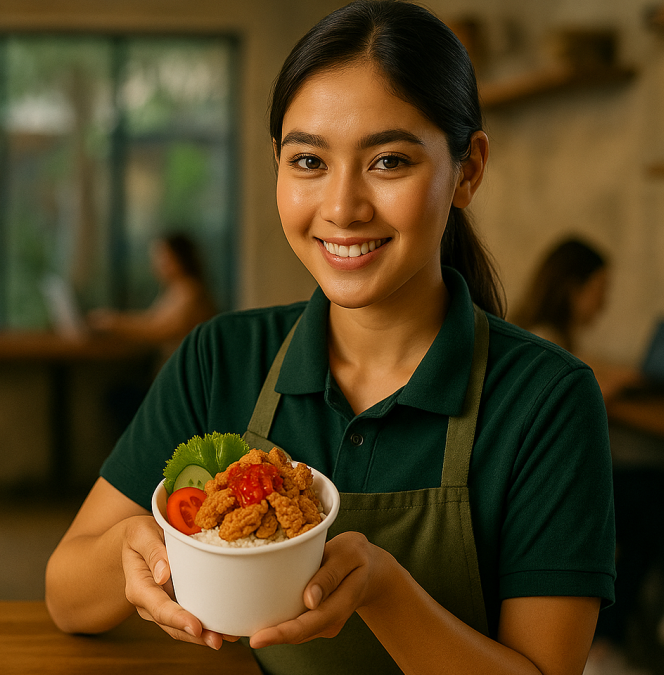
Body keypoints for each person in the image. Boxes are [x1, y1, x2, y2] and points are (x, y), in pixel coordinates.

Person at [45, 2, 615, 674]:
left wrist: (383, 591)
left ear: (468, 171)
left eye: (389, 161)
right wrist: (131, 552)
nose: (342, 207)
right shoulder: (221, 359)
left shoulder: (547, 400)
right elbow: (65, 596)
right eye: (309, 160)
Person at [513, 237, 664, 673]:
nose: (604, 302)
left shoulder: (540, 333)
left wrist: (609, 378)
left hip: (539, 483)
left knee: (644, 509)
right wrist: (603, 386)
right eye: (600, 289)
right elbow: (557, 407)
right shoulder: (545, 339)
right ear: (573, 289)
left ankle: (611, 642)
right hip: (547, 490)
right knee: (655, 492)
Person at [87, 232, 217, 362]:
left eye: (163, 258)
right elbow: (151, 321)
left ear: (180, 258)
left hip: (185, 367)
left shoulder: (190, 291)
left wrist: (113, 322)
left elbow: (158, 330)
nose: (156, 264)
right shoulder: (175, 289)